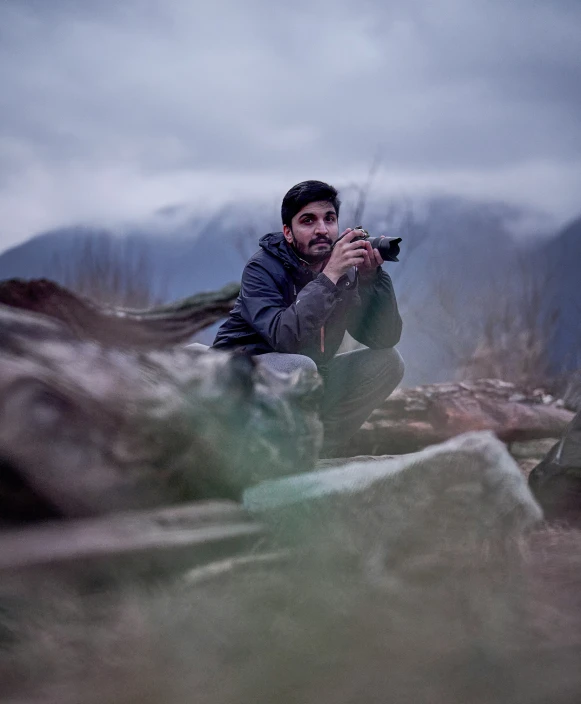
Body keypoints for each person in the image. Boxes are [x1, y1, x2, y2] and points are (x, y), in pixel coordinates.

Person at [212, 179, 404, 455]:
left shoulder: (344, 271)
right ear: (288, 233)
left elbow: (382, 338)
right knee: (301, 366)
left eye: (329, 219)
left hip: (307, 380)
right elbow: (284, 337)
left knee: (388, 362)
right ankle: (258, 454)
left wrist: (371, 280)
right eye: (308, 221)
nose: (322, 230)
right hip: (239, 383)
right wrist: (329, 277)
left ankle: (320, 451)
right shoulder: (262, 268)